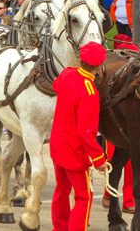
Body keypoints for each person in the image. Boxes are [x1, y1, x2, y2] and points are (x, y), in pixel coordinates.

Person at [50, 42, 108, 231]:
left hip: (58, 145)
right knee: (84, 196)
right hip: (74, 152)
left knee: (61, 190)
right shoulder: (90, 92)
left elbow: (56, 84)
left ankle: (59, 227)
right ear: (99, 65)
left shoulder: (67, 74)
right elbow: (86, 132)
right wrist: (99, 158)